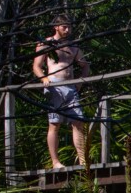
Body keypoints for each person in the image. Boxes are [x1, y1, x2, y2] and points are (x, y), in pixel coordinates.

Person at [32, 15, 92, 169]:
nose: (67, 30)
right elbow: (36, 66)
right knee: (54, 123)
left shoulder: (73, 47)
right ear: (56, 27)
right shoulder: (46, 43)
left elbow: (85, 65)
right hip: (55, 86)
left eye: (69, 27)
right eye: (64, 27)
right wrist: (43, 78)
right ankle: (55, 161)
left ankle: (82, 160)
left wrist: (80, 82)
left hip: (71, 86)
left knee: (78, 122)